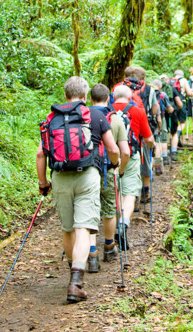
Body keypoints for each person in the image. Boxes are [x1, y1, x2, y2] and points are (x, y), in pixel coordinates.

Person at [37, 76, 119, 304]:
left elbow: (40, 154)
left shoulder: (51, 117)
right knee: (84, 227)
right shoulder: (95, 115)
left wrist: (43, 183)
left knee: (68, 228)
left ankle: (71, 271)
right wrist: (115, 163)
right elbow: (112, 148)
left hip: (60, 176)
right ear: (85, 97)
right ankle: (76, 283)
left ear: (65, 95)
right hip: (87, 176)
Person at [88, 83, 130, 273]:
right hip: (109, 171)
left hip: (87, 172)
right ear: (108, 99)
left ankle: (91, 252)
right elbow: (125, 151)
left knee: (88, 211)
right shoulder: (115, 119)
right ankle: (108, 246)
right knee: (109, 210)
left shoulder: (83, 116)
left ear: (90, 99)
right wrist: (119, 169)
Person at [112, 85, 155, 233]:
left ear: (113, 96)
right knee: (129, 192)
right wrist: (152, 145)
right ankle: (123, 223)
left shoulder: (107, 110)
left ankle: (115, 220)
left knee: (115, 189)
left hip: (110, 156)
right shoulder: (138, 111)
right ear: (130, 97)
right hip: (131, 154)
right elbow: (148, 138)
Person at [152, 79, 173, 167]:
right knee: (162, 140)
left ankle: (153, 163)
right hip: (161, 118)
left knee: (153, 140)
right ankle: (161, 160)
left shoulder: (148, 93)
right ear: (160, 86)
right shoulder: (163, 94)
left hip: (150, 119)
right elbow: (169, 109)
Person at [169, 70, 193, 148]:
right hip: (181, 102)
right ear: (182, 74)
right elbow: (189, 93)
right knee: (183, 121)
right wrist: (191, 94)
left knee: (174, 121)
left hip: (172, 104)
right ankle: (178, 134)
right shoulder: (184, 80)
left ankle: (173, 136)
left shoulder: (170, 81)